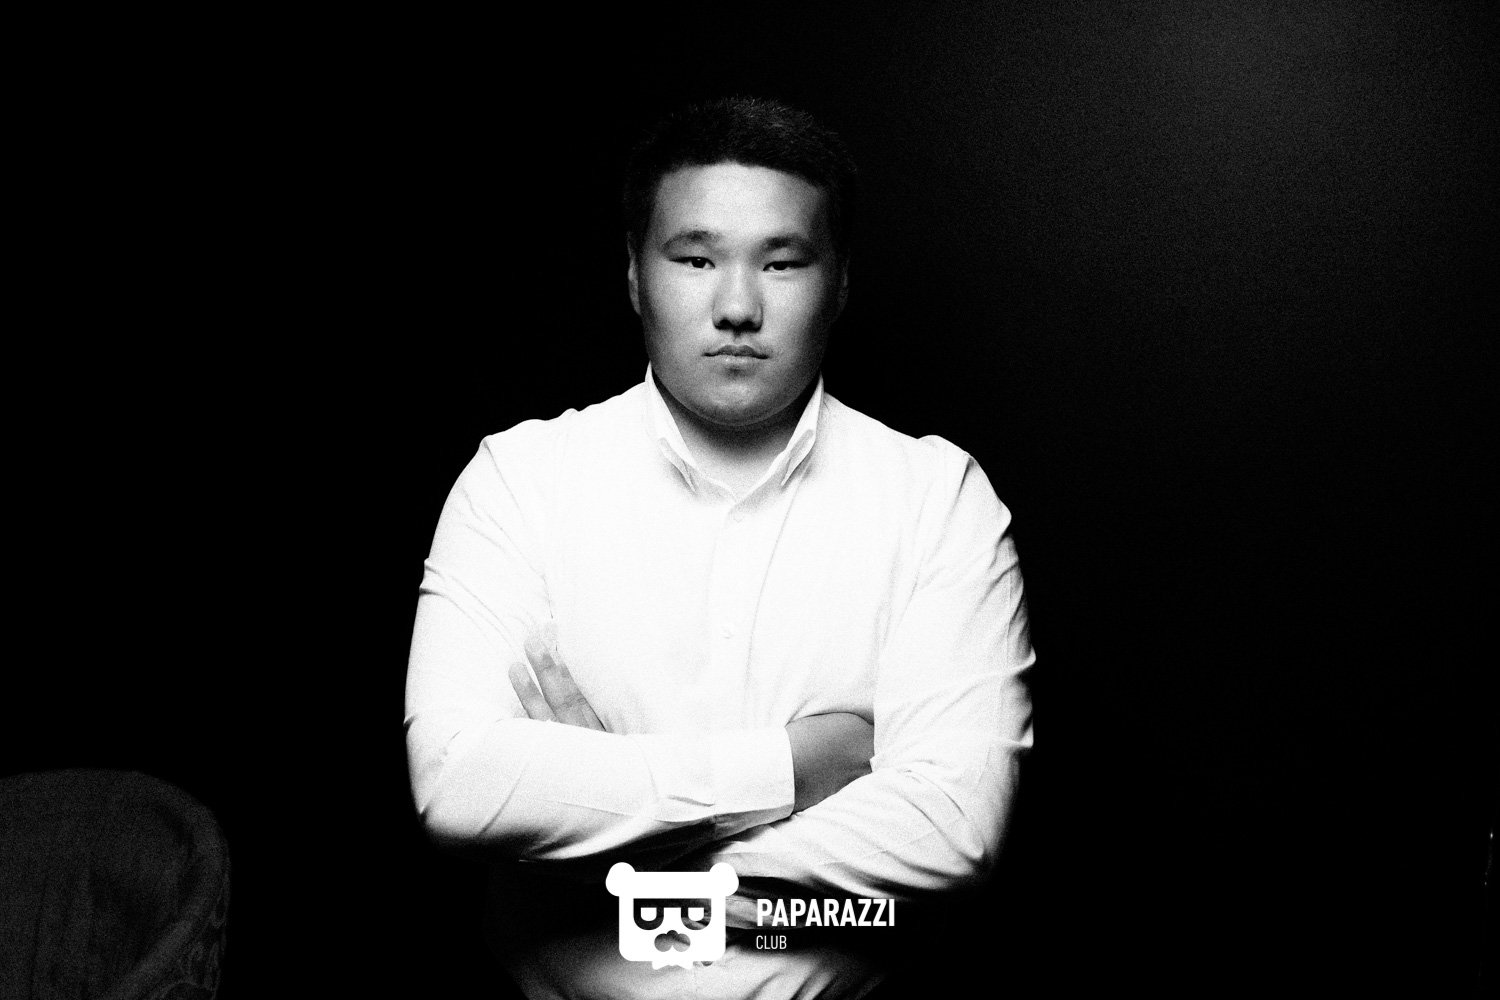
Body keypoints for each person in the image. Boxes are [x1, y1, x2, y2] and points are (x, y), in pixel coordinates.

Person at [405, 96, 1034, 999]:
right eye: (695, 259)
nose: (737, 307)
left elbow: (953, 828)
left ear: (840, 283)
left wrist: (626, 855)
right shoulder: (520, 481)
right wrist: (791, 770)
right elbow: (460, 786)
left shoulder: (937, 499)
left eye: (783, 262)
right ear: (634, 275)